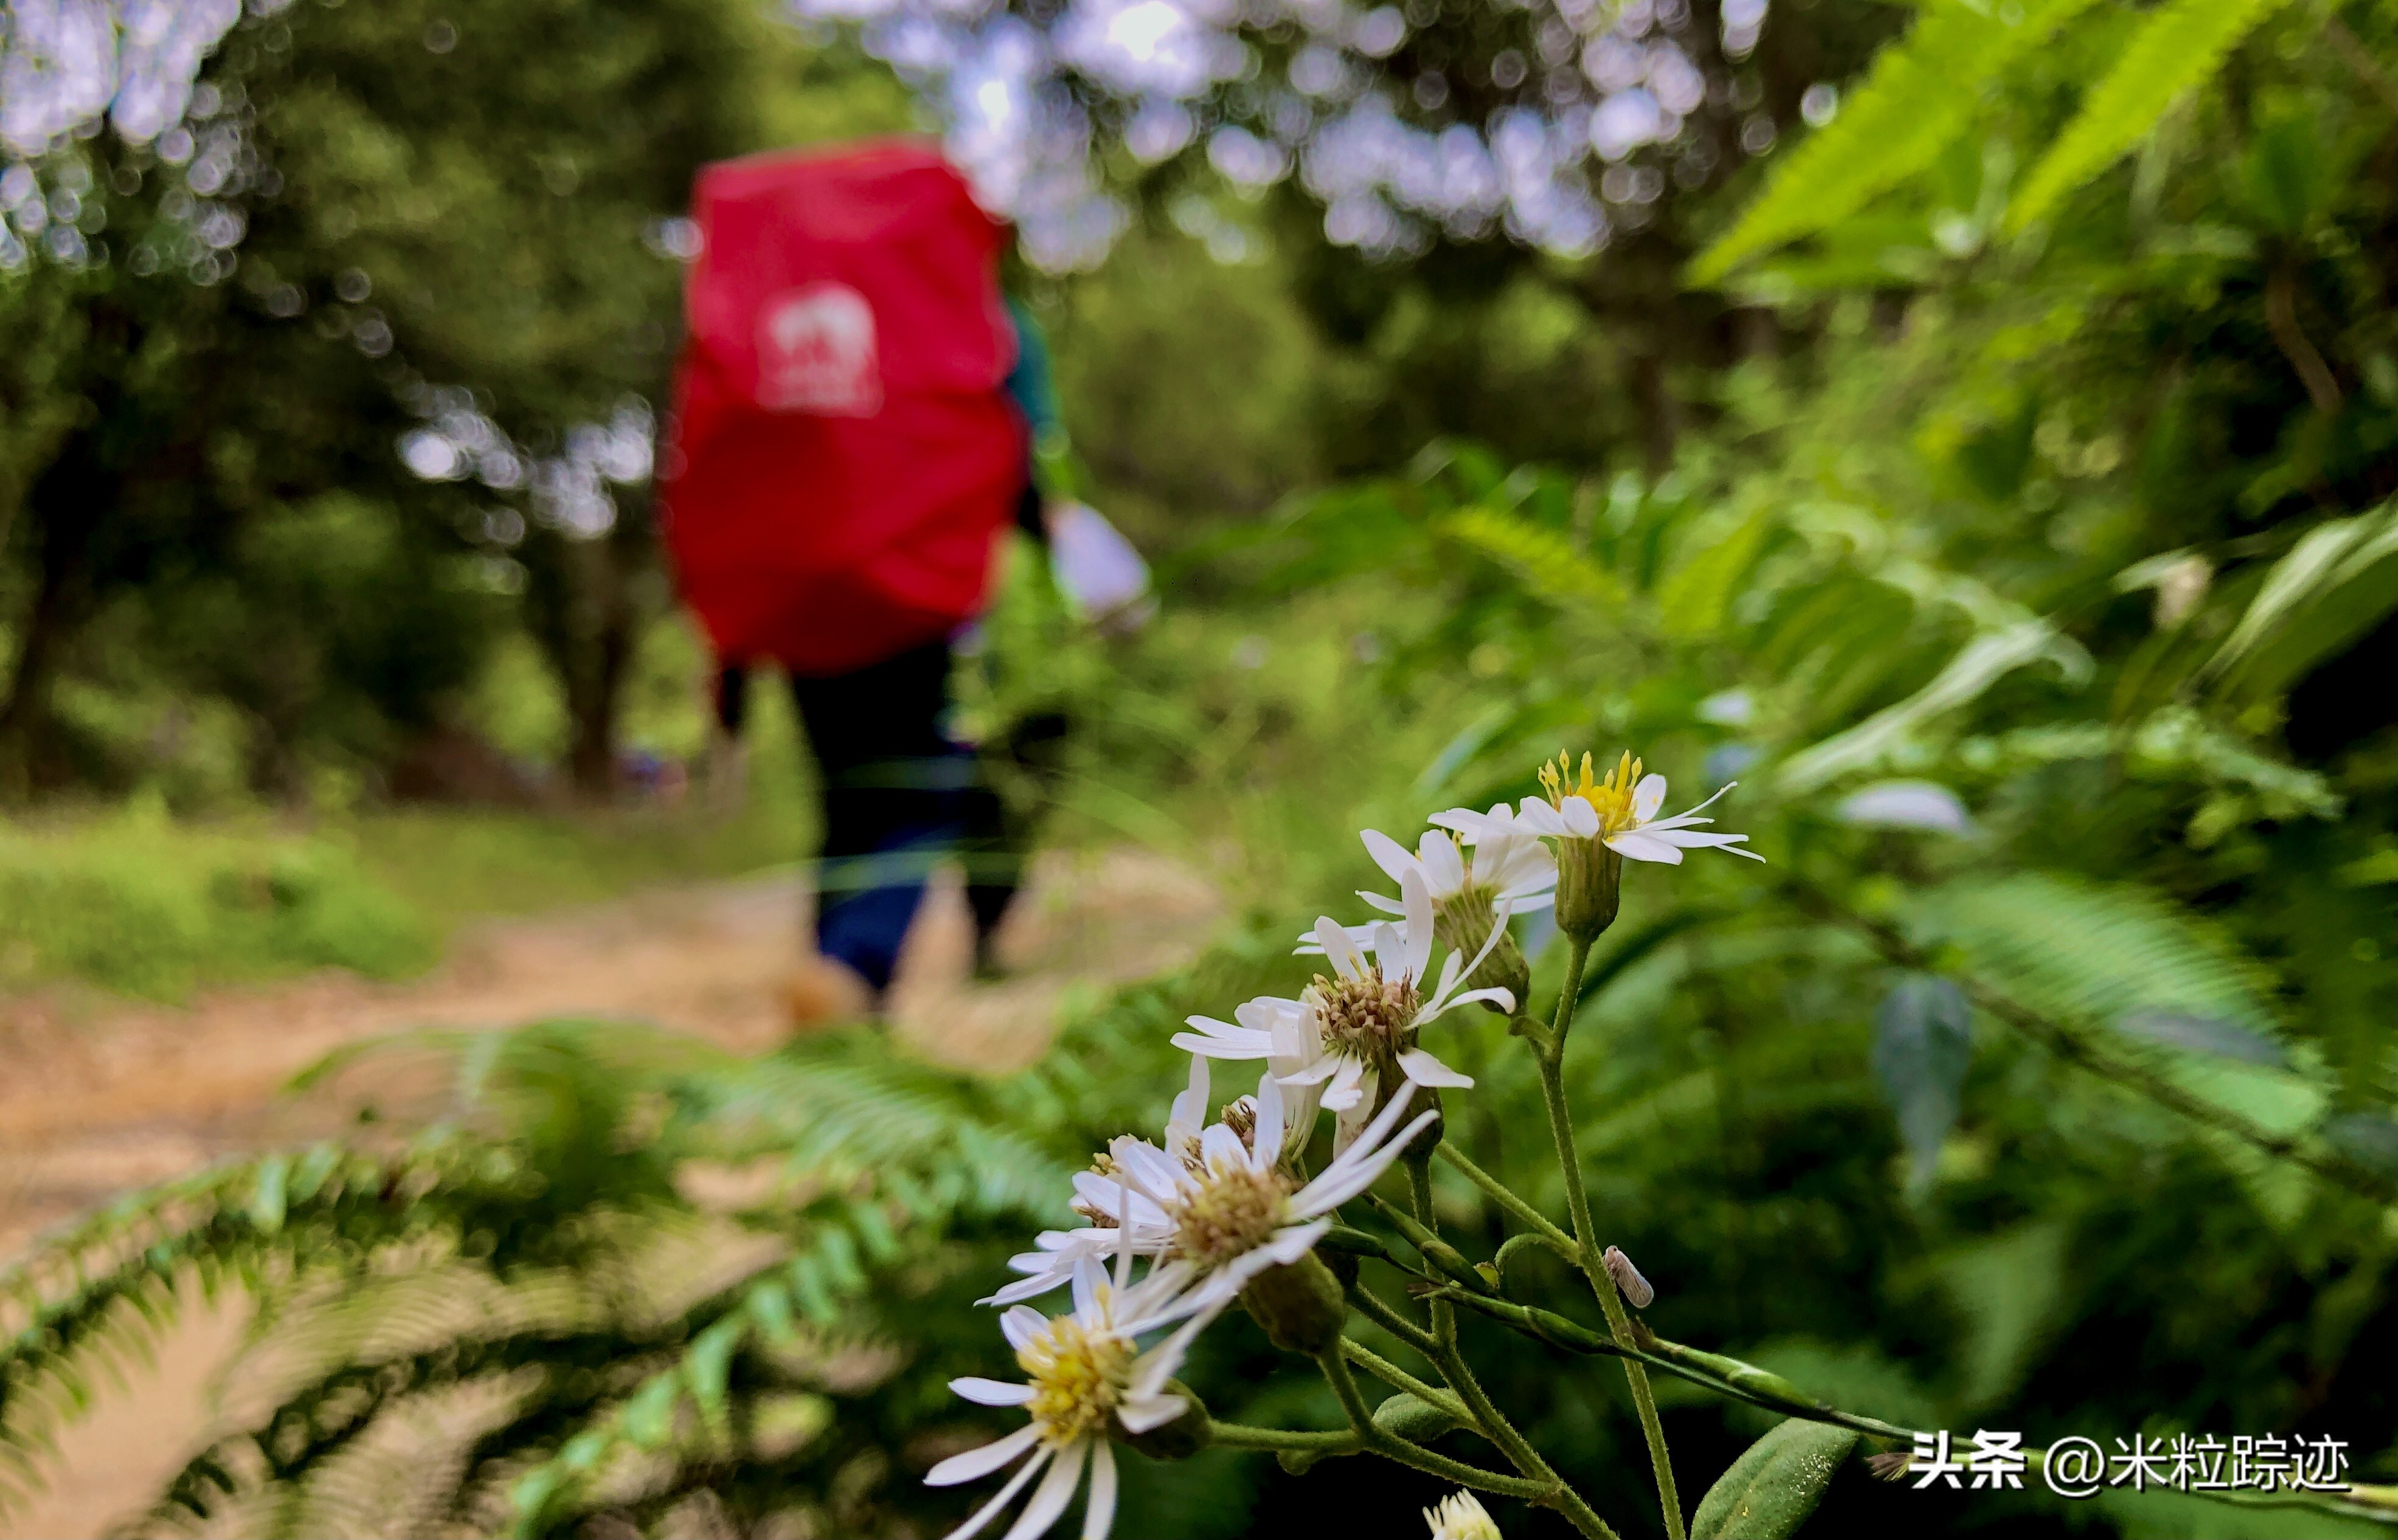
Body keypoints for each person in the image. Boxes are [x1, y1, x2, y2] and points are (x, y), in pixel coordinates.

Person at [708, 292, 1069, 1023]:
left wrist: (731, 654)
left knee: (847, 798)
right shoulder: (980, 317)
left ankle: (836, 995)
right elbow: (1021, 449)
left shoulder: (770, 322)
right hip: (914, 585)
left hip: (800, 590)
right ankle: (850, 965)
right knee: (921, 796)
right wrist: (1040, 551)